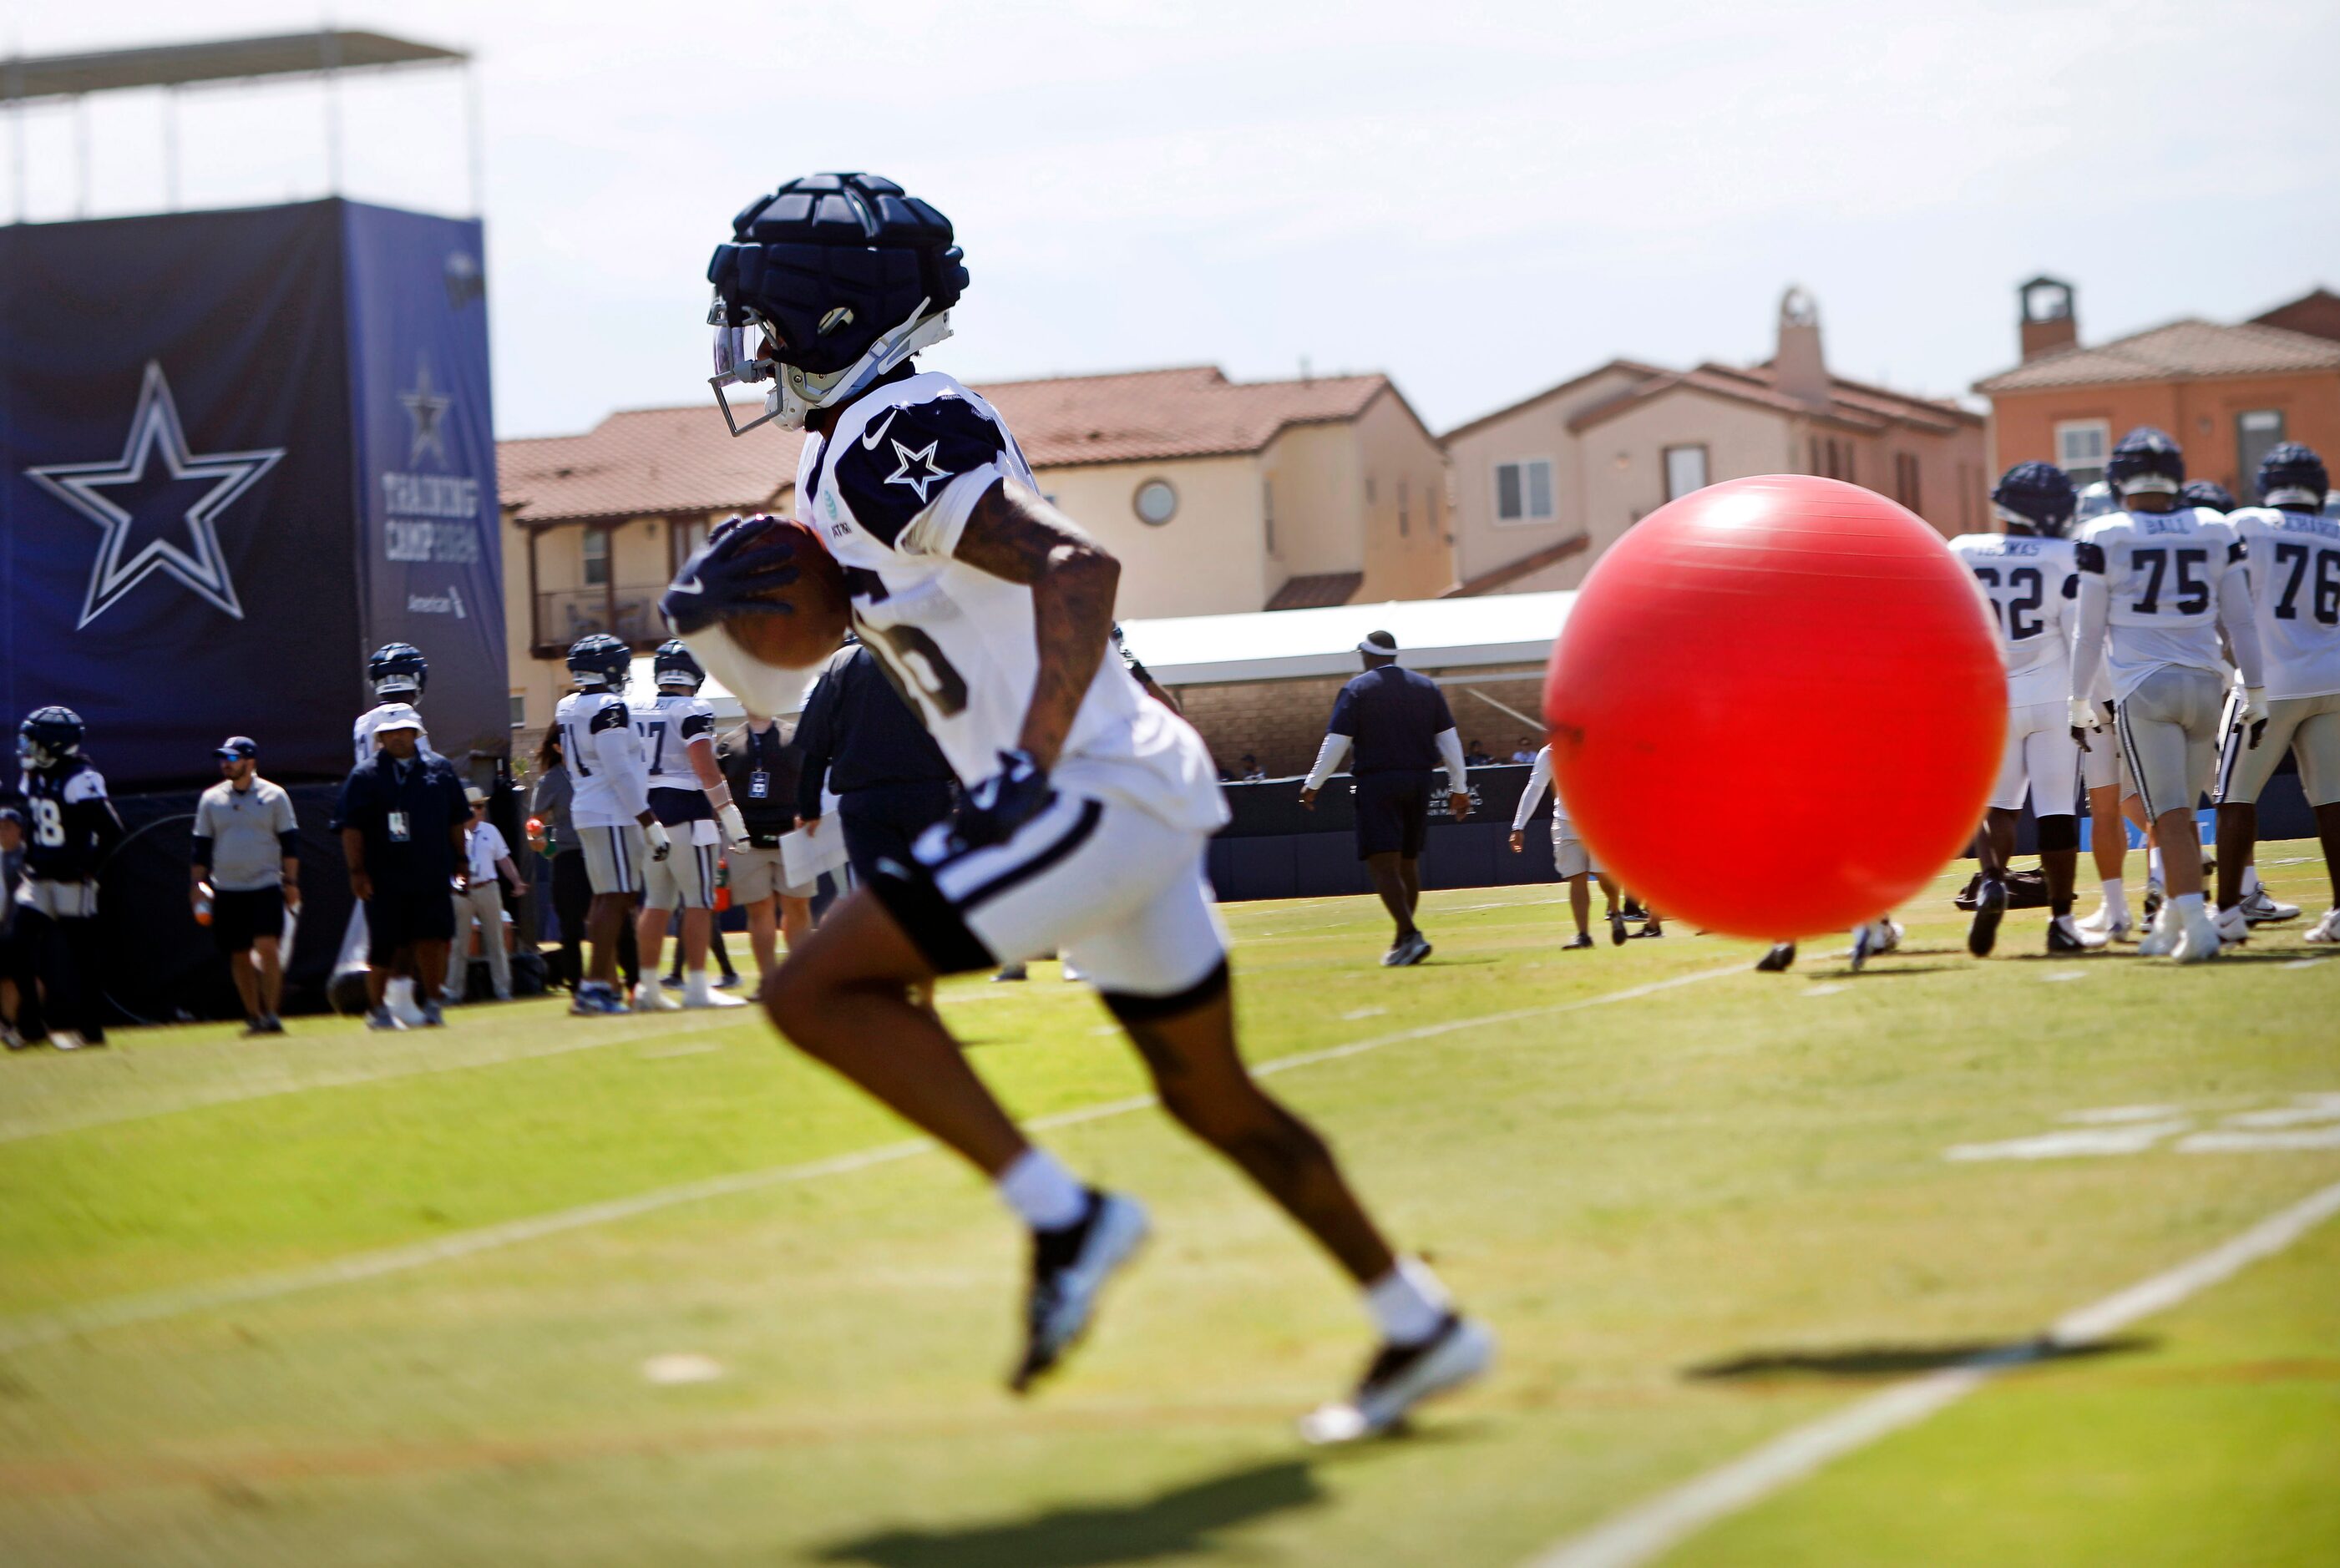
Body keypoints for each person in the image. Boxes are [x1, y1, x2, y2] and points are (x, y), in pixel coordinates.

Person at [670, 170, 1488, 1439]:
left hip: (1088, 786)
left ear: (830, 320)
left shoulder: (892, 429)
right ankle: (1416, 1319)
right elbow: (931, 610)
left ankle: (1066, 1215)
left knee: (812, 989)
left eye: (766, 323)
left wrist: (1026, 762)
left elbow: (1075, 564)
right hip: (1119, 785)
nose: (753, 351)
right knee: (1212, 1098)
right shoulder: (862, 441)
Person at [2069, 427, 2265, 962]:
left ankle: (2196, 924)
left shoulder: (2106, 532)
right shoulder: (2212, 525)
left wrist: (2077, 698)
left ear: (2119, 477)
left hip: (2145, 685)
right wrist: (2260, 688)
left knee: (2169, 815)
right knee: (2182, 807)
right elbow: (2241, 620)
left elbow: (2088, 631)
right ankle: (2172, 922)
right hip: (2207, 682)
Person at [1949, 463, 2099, 956]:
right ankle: (2061, 920)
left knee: (1998, 804)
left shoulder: (1964, 549)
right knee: (2057, 809)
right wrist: (2087, 699)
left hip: (1992, 696)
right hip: (2053, 694)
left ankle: (1992, 876)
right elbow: (2083, 635)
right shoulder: (2066, 556)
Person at [2215, 442, 2340, 944]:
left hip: (2268, 682)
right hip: (2333, 678)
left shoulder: (2247, 524)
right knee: (2332, 801)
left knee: (2233, 797)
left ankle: (2226, 911)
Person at [793, 638, 963, 987]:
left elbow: (814, 743)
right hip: (928, 793)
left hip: (865, 798)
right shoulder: (930, 648)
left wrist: (808, 804)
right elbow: (963, 725)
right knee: (926, 896)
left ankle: (891, 980)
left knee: (880, 899)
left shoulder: (841, 662)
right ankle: (924, 990)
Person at [1299, 630, 1471, 967]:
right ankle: (1402, 941)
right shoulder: (1426, 688)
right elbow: (1450, 741)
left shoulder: (1358, 689)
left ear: (1368, 654)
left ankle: (1409, 934)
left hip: (1378, 782)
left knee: (1382, 863)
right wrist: (1460, 788)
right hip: (1420, 781)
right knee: (1407, 863)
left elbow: (1336, 741)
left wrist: (1313, 783)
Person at [630, 640, 749, 1011]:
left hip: (648, 815)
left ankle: (647, 988)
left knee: (656, 902)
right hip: (687, 813)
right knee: (698, 901)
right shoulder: (693, 707)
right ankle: (698, 987)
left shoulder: (634, 708)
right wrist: (729, 813)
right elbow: (704, 765)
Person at [555, 633, 671, 1015]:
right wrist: (648, 820)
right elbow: (619, 769)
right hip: (614, 811)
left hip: (590, 807)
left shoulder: (569, 705)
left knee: (610, 898)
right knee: (615, 898)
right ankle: (594, 986)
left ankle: (603, 982)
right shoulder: (609, 707)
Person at [332, 711, 468, 1029]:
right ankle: (378, 1010)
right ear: (379, 737)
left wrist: (462, 861)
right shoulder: (365, 775)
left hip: (431, 871)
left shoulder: (440, 769)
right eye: (389, 732)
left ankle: (433, 1003)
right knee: (385, 942)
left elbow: (456, 819)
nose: (397, 737)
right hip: (384, 875)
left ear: (416, 733)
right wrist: (356, 871)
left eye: (404, 731)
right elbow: (350, 827)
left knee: (432, 938)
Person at [10, 707, 122, 1049]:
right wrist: (29, 859)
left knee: (82, 957)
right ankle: (30, 1026)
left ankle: (91, 1030)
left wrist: (89, 866)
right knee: (18, 947)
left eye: (34, 741)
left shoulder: (79, 778)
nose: (27, 748)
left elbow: (111, 830)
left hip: (72, 881)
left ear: (53, 743)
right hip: (40, 877)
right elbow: (33, 824)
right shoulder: (34, 776)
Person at [345, 643, 437, 1026]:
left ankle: (390, 1001)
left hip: (370, 824)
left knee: (388, 924)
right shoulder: (405, 717)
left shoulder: (363, 721)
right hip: (399, 826)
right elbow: (424, 774)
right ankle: (393, 999)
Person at [190, 736, 301, 1034]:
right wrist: (196, 885)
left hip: (264, 884)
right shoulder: (211, 799)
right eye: (224, 758)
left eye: (233, 758)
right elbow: (201, 846)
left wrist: (291, 882)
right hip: (226, 888)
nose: (226, 763)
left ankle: (272, 1014)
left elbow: (289, 842)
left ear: (250, 762)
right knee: (238, 952)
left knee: (268, 947)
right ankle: (253, 1015)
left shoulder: (275, 795)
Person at [720, 712, 814, 979]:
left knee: (797, 905)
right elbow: (717, 786)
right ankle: (769, 981)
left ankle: (801, 979)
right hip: (746, 838)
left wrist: (809, 812)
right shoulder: (728, 743)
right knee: (759, 909)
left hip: (794, 834)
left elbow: (813, 776)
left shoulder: (797, 735)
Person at [1508, 742, 1623, 948]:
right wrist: (1518, 827)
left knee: (1605, 877)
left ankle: (1615, 910)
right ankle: (1583, 935)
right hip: (1565, 822)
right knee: (1576, 878)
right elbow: (1534, 788)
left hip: (1600, 823)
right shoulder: (1548, 753)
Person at [447, 786, 524, 1003]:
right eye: (476, 806)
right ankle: (454, 992)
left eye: (482, 806)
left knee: (496, 942)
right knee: (459, 944)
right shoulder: (452, 833)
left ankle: (502, 990)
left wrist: (516, 881)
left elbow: (504, 860)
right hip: (462, 892)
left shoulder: (491, 831)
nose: (481, 811)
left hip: (488, 888)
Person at [0, 807, 27, 1050]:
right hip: (4, 928)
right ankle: (7, 1025)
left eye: (7, 826)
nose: (2, 832)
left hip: (24, 929)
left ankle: (23, 1024)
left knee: (21, 979)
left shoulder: (28, 856)